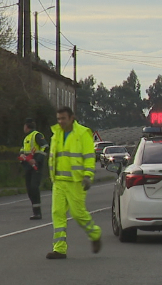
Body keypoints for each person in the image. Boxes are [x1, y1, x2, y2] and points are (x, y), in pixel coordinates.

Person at [46, 106, 102, 260]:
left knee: (78, 214)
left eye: (63, 118)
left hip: (76, 181)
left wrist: (88, 176)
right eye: (58, 119)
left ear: (71, 118)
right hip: (58, 181)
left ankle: (95, 234)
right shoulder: (56, 133)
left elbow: (89, 157)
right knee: (57, 214)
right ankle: (59, 249)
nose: (60, 121)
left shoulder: (83, 133)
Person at [19, 118, 49, 220]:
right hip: (27, 167)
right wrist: (22, 156)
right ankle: (35, 211)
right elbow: (22, 150)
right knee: (29, 189)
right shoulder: (26, 138)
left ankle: (38, 213)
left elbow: (45, 146)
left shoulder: (36, 135)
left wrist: (36, 160)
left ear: (26, 126)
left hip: (36, 167)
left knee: (34, 187)